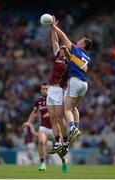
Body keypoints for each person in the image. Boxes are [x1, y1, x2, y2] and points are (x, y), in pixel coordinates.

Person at [51, 16, 92, 144]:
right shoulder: (87, 58)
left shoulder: (76, 49)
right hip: (84, 84)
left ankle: (73, 128)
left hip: (75, 81)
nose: (78, 41)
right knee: (74, 108)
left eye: (80, 40)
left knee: (67, 109)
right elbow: (72, 60)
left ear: (83, 45)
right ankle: (77, 128)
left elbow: (63, 36)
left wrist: (54, 26)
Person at [22, 82, 68, 172]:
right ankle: (42, 163)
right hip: (44, 127)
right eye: (43, 89)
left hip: (55, 128)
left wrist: (50, 113)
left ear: (49, 90)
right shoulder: (38, 101)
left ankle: (63, 160)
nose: (44, 90)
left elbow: (61, 111)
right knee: (41, 142)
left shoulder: (55, 99)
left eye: (46, 89)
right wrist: (28, 122)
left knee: (59, 149)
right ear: (40, 90)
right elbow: (34, 112)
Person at [46, 25, 71, 153]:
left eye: (62, 48)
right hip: (51, 89)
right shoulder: (57, 57)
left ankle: (65, 141)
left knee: (59, 117)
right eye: (60, 48)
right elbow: (54, 41)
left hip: (60, 90)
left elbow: (62, 40)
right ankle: (57, 141)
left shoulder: (69, 62)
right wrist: (52, 27)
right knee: (52, 118)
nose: (60, 49)